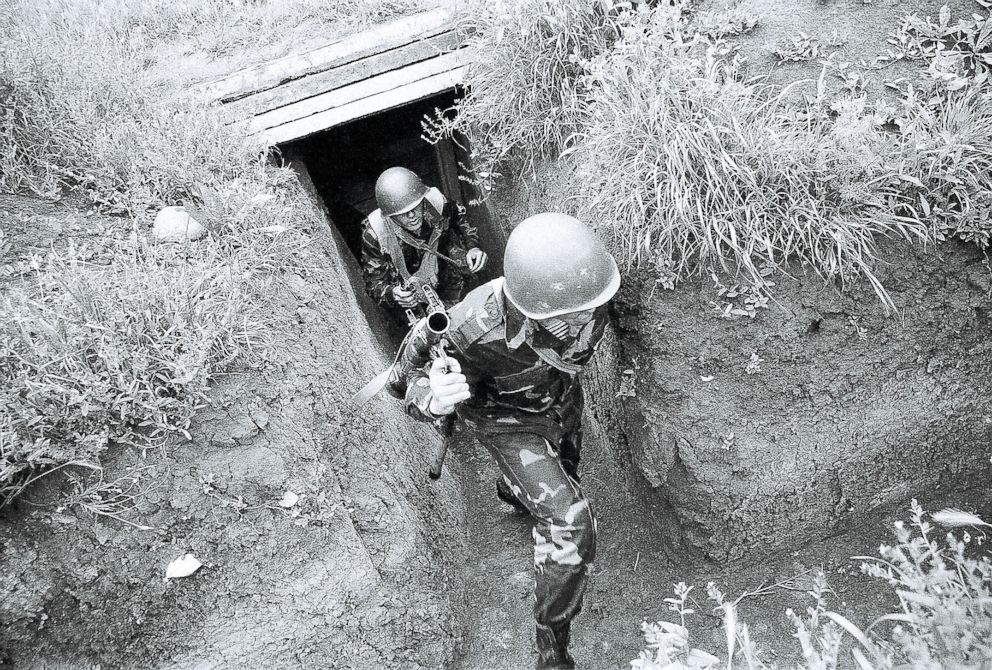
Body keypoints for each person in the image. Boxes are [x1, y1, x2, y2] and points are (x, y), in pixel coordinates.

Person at [388, 213, 620, 670]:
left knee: (567, 467)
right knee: (570, 521)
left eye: (587, 310)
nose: (581, 323)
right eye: (564, 317)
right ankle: (551, 649)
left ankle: (513, 489)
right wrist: (433, 400)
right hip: (507, 422)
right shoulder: (471, 325)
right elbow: (403, 380)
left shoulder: (591, 287)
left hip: (562, 403)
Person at [360, 167, 487, 327]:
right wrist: (393, 294)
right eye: (402, 213)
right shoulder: (375, 234)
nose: (412, 216)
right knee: (423, 330)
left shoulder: (437, 203)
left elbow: (460, 219)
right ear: (389, 215)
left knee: (470, 269)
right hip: (408, 290)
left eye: (415, 207)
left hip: (441, 266)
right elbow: (373, 283)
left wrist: (473, 247)